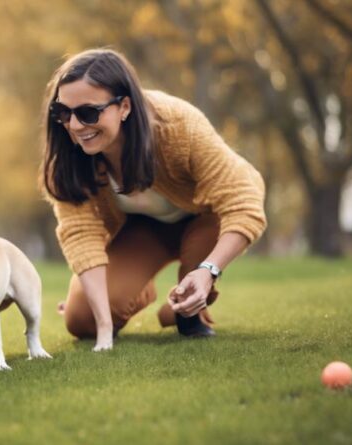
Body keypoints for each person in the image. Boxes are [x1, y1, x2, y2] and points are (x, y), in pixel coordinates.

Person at [41, 49, 266, 351]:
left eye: (88, 113)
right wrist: (101, 317)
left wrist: (208, 270)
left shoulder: (179, 125)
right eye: (63, 113)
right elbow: (81, 236)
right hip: (145, 229)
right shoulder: (69, 158)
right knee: (81, 320)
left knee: (190, 301)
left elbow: (243, 202)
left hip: (205, 219)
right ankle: (138, 290)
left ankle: (188, 305)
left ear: (124, 107)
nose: (75, 126)